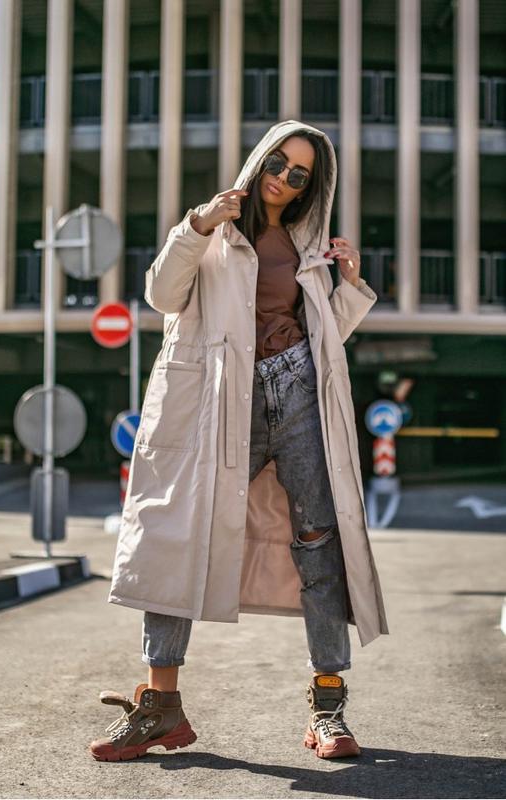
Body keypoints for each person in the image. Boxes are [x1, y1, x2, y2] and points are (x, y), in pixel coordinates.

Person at [90, 120, 388, 763]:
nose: (283, 178)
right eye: (277, 163)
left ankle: (328, 708)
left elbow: (321, 337)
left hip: (299, 392)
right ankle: (161, 707)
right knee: (178, 532)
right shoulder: (214, 229)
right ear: (259, 161)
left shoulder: (306, 244)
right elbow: (162, 295)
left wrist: (350, 285)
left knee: (318, 541)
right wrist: (196, 226)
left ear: (310, 188)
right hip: (223, 400)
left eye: (299, 175)